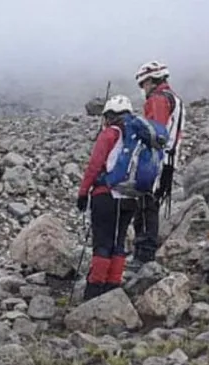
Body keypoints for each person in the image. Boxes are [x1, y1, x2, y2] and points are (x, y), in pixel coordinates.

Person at [77, 95, 140, 301]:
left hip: (106, 195)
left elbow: (95, 166)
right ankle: (113, 289)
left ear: (108, 116)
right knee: (118, 242)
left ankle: (95, 291)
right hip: (130, 197)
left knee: (102, 243)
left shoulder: (109, 134)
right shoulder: (138, 137)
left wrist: (83, 193)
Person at [130, 60, 186, 269]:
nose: (143, 89)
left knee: (145, 205)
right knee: (151, 204)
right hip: (170, 160)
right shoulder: (176, 99)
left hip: (156, 160)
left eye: (144, 84)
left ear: (152, 80)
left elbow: (154, 132)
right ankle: (145, 254)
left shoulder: (158, 100)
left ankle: (143, 256)